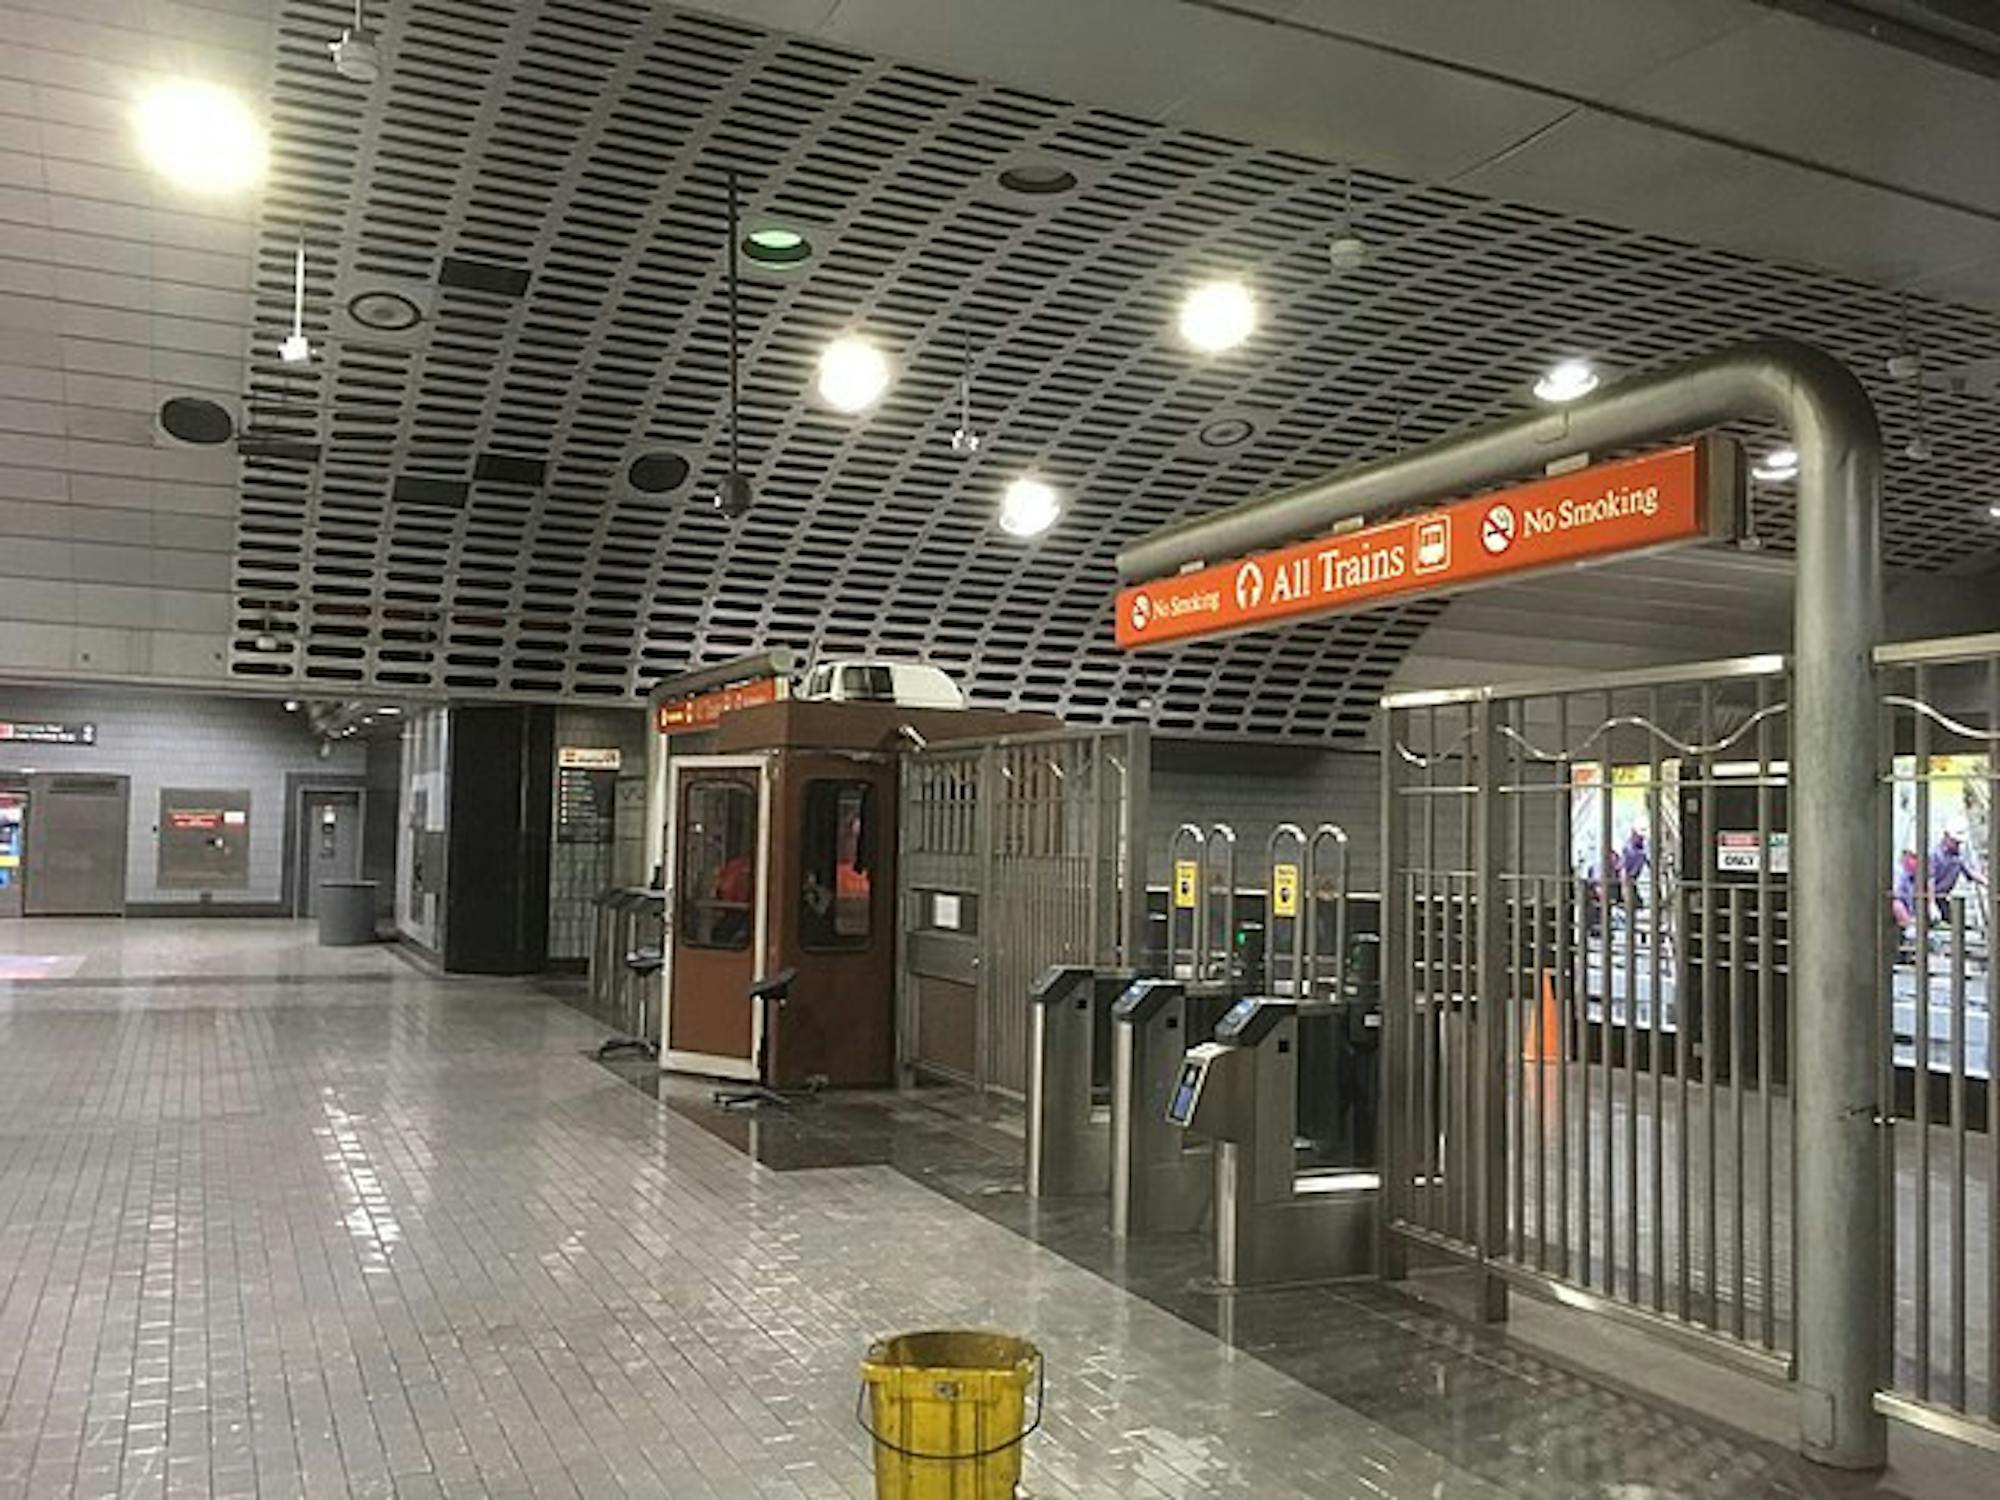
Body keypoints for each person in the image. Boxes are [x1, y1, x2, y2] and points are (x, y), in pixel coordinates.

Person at [1929, 821, 1984, 923]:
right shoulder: (1934, 854)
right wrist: (1931, 904)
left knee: (1954, 923)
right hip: (1929, 897)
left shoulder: (1959, 855)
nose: (1958, 845)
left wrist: (1987, 883)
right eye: (1955, 842)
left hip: (1942, 897)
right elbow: (1930, 880)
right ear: (1946, 836)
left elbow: (1970, 872)